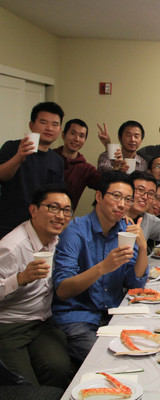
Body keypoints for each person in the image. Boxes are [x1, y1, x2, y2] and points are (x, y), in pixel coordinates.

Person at [52, 171, 148, 363]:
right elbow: (62, 289)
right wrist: (103, 267)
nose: (122, 205)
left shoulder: (124, 231)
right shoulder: (75, 231)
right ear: (99, 196)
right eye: (116, 196)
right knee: (107, 362)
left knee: (148, 349)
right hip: (79, 317)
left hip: (114, 314)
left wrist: (143, 248)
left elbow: (134, 283)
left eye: (128, 199)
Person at [0, 185, 72, 388]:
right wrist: (20, 278)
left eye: (66, 210)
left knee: (60, 369)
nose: (60, 216)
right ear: (33, 210)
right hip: (9, 325)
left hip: (41, 323)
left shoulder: (58, 240)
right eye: (53, 208)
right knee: (23, 387)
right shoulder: (12, 246)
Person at [0, 102, 65, 238]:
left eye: (55, 124)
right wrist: (19, 157)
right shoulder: (12, 147)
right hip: (8, 225)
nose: (49, 128)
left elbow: (56, 196)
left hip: (40, 228)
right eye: (43, 122)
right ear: (31, 125)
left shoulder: (57, 160)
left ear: (59, 129)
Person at [54, 118, 102, 210]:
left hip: (65, 215)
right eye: (73, 133)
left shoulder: (85, 169)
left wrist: (108, 147)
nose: (76, 139)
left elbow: (105, 184)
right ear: (63, 135)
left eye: (81, 136)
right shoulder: (50, 157)